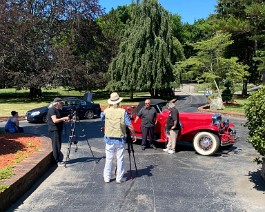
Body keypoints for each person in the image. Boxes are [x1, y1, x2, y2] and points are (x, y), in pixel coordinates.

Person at [101, 92, 137, 183]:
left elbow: (101, 117)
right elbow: (130, 126)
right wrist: (134, 134)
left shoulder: (106, 111)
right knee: (120, 159)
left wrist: (108, 107)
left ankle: (107, 178)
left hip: (109, 138)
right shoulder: (123, 112)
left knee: (108, 159)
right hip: (119, 139)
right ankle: (119, 178)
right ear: (118, 102)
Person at [47, 97, 70, 166]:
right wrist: (64, 118)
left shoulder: (58, 110)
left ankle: (58, 159)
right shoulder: (52, 110)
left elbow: (59, 119)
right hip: (54, 130)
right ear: (57, 104)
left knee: (58, 144)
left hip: (58, 129)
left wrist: (65, 120)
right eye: (61, 104)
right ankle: (56, 161)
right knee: (56, 145)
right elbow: (55, 120)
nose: (62, 105)